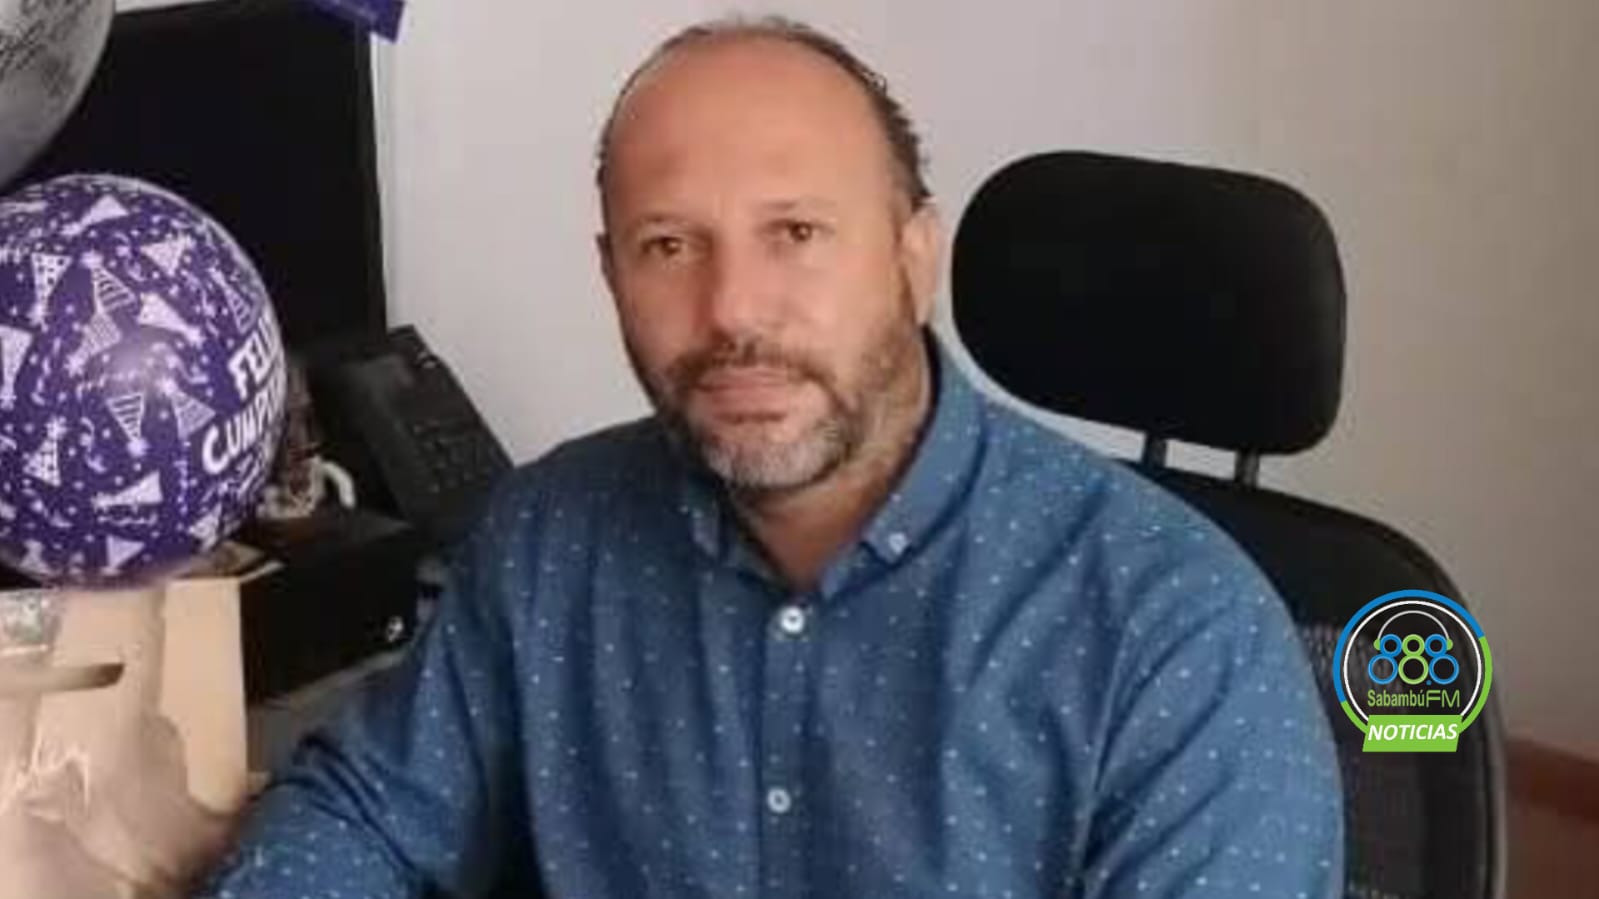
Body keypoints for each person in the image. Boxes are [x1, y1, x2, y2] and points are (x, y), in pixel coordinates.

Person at [198, 16, 1342, 899]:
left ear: (913, 257)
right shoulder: (548, 539)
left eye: (795, 232)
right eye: (669, 245)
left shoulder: (1180, 636)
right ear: (611, 274)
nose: (733, 308)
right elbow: (366, 810)